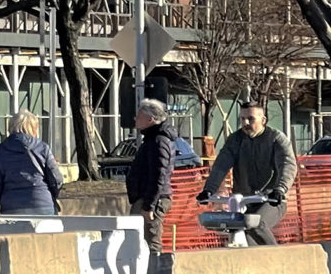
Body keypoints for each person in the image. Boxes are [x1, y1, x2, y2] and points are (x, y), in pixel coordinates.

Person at [199, 101, 296, 247]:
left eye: (251, 119)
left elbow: (288, 165)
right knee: (248, 242)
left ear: (263, 120)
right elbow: (220, 166)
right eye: (242, 119)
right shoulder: (235, 139)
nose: (245, 123)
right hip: (244, 201)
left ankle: (279, 259)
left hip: (271, 200)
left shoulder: (276, 139)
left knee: (257, 223)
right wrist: (208, 189)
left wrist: (280, 190)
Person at [125, 98, 179, 262]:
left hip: (152, 200)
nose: (135, 119)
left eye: (139, 115)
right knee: (137, 241)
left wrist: (149, 205)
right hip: (146, 199)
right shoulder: (151, 139)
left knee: (151, 242)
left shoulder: (158, 140)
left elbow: (159, 175)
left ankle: (155, 269)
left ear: (151, 119)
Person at [0, 109, 65, 216]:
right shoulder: (43, 147)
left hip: (11, 205)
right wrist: (49, 195)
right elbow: (56, 179)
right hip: (42, 203)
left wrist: (6, 198)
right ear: (34, 128)